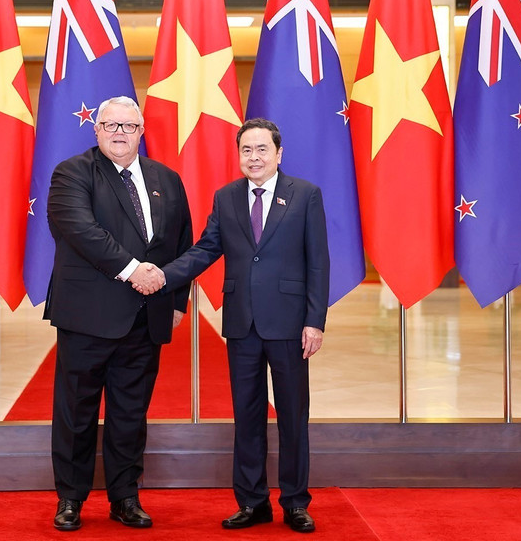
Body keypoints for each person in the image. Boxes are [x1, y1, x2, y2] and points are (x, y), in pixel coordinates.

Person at [135, 118, 328, 533]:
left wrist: (315, 321)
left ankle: (295, 501)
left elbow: (318, 262)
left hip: (290, 325)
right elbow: (206, 249)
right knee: (247, 414)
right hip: (241, 322)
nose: (253, 157)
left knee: (293, 415)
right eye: (246, 150)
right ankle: (252, 501)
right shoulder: (226, 198)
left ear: (279, 153)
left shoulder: (305, 195)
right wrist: (164, 275)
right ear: (238, 155)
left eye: (262, 149)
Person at [44, 96, 192, 531]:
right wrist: (134, 272)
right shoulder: (72, 173)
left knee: (131, 412)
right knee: (76, 411)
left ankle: (125, 497)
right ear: (96, 130)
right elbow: (80, 230)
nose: (119, 133)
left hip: (146, 317)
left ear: (142, 130)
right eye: (110, 125)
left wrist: (177, 301)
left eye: (128, 126)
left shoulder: (167, 178)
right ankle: (70, 499)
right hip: (87, 316)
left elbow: (181, 243)